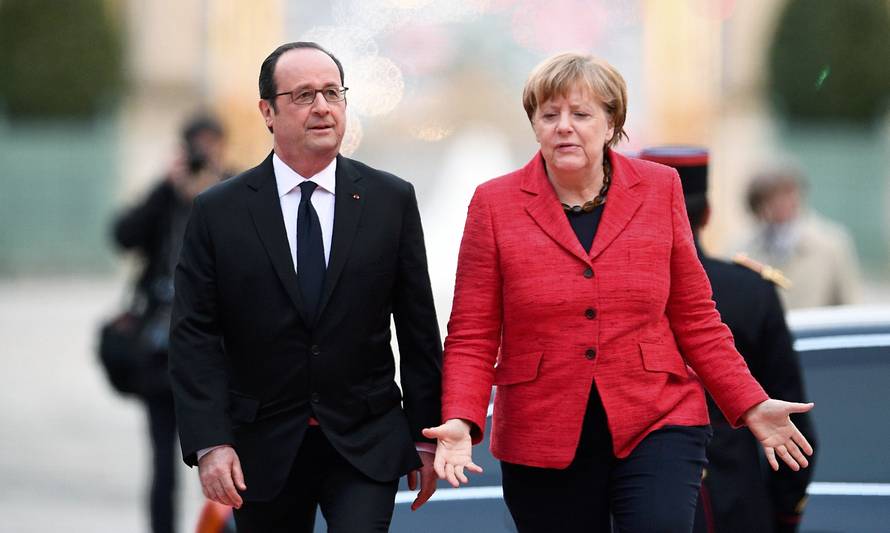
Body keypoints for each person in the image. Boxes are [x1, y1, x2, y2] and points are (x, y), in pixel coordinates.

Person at [422, 52, 814, 533]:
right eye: (550, 115)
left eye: (581, 114)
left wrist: (750, 402)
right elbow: (472, 334)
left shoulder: (659, 188)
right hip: (541, 432)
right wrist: (461, 420)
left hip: (656, 416)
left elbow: (695, 317)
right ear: (535, 124)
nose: (564, 127)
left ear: (612, 125)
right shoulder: (495, 203)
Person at [168, 41, 442, 533]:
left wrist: (425, 438)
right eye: (303, 95)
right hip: (260, 448)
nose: (322, 107)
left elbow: (418, 327)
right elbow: (194, 336)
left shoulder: (389, 200)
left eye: (332, 94)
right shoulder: (219, 212)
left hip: (366, 440)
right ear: (267, 112)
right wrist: (211, 443)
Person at [640, 146, 817, 533]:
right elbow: (794, 428)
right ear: (707, 214)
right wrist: (784, 515)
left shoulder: (612, 292)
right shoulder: (751, 290)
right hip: (736, 504)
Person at [112, 113, 229, 533]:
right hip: (161, 352)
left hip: (220, 354)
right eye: (197, 145)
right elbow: (123, 235)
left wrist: (215, 192)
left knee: (221, 457)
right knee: (163, 461)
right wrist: (167, 188)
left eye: (211, 143)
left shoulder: (234, 190)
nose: (204, 153)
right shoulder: (165, 195)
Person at [733, 165, 860, 309]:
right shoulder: (741, 251)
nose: (779, 204)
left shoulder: (831, 245)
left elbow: (850, 307)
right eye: (769, 198)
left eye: (786, 194)